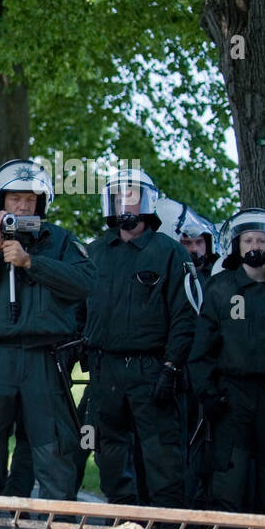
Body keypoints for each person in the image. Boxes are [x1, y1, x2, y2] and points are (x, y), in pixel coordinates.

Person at [0, 158, 95, 504]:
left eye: (30, 199)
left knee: (54, 452)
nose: (23, 206)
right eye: (15, 198)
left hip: (44, 359)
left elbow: (86, 282)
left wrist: (32, 263)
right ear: (0, 201)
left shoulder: (60, 240)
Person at [84, 169, 198, 508]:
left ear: (147, 202)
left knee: (162, 459)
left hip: (152, 368)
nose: (124, 203)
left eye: (131, 196)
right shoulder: (95, 252)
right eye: (118, 197)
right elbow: (78, 306)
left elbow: (185, 316)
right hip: (105, 369)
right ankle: (122, 527)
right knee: (111, 456)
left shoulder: (170, 252)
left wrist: (172, 367)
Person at [188, 208, 265, 516]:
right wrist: (208, 393)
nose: (254, 246)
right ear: (237, 246)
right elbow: (202, 350)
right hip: (231, 397)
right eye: (248, 240)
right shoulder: (220, 288)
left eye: (260, 240)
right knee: (229, 479)